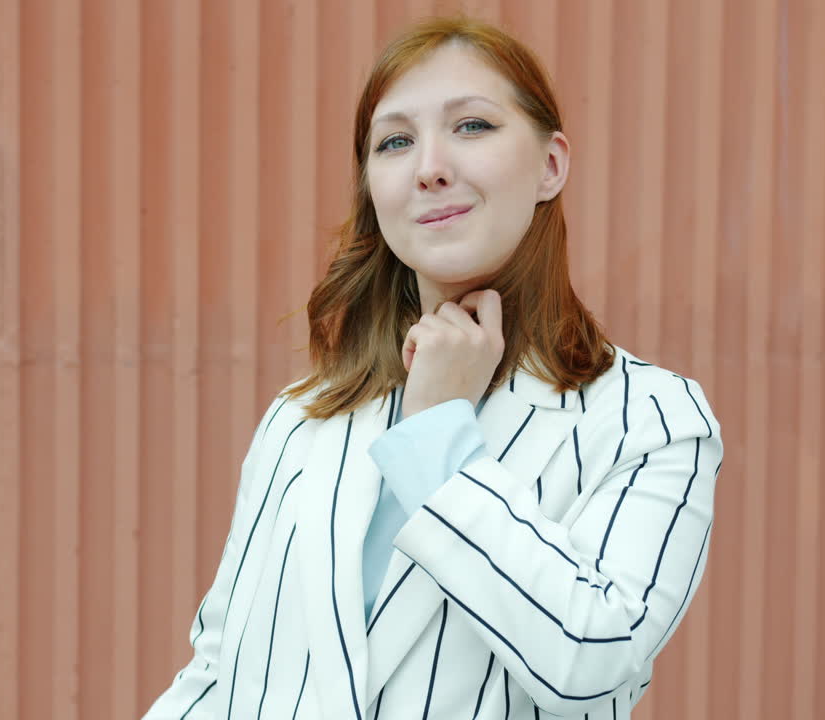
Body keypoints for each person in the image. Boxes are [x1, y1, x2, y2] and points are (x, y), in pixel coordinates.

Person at [143, 15, 722, 720]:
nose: (430, 166)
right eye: (395, 141)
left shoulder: (647, 420)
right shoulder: (304, 419)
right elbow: (218, 672)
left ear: (551, 166)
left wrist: (438, 438)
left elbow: (592, 660)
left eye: (472, 126)